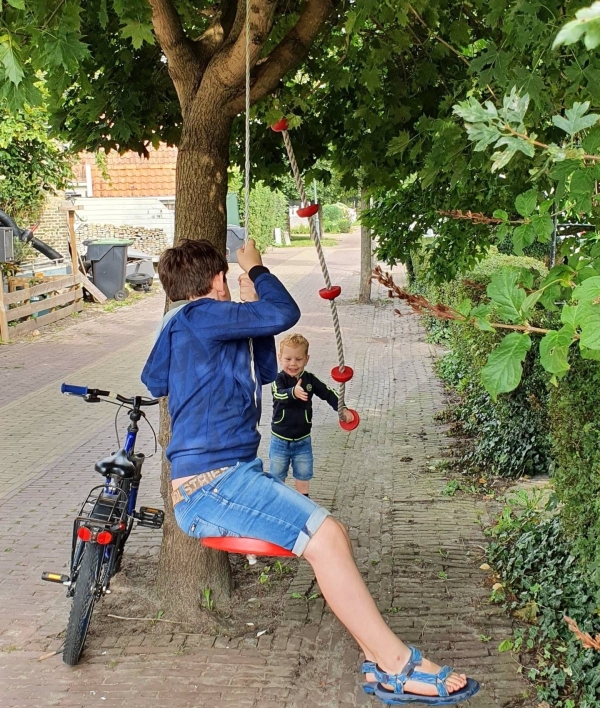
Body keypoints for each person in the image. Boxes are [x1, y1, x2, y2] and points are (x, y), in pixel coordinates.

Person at [141, 238, 479, 705]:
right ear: (216, 280)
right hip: (212, 483)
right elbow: (286, 314)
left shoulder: (189, 327)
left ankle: (378, 665)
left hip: (229, 476)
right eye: (225, 277)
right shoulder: (200, 317)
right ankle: (399, 666)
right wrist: (258, 272)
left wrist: (250, 311)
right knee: (329, 538)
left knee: (332, 537)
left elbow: (257, 368)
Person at [270, 333, 353, 498]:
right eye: (288, 359)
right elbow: (278, 394)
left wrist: (342, 408)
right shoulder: (277, 379)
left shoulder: (310, 380)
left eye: (298, 359)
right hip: (280, 440)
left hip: (303, 441)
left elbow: (328, 393)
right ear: (280, 358)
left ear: (306, 359)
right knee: (277, 477)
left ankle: (305, 508)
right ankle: (278, 506)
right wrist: (293, 392)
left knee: (303, 476)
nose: (293, 364)